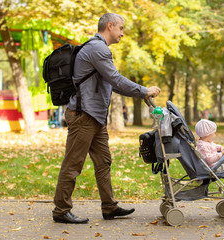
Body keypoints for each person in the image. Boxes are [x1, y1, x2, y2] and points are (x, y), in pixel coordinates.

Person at [52, 13, 161, 224]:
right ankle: (61, 210)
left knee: (104, 162)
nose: (123, 33)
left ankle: (109, 207)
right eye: (121, 28)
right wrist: (144, 90)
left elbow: (111, 83)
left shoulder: (99, 49)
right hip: (83, 116)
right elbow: (117, 80)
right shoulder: (97, 49)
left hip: (95, 117)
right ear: (109, 26)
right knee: (73, 164)